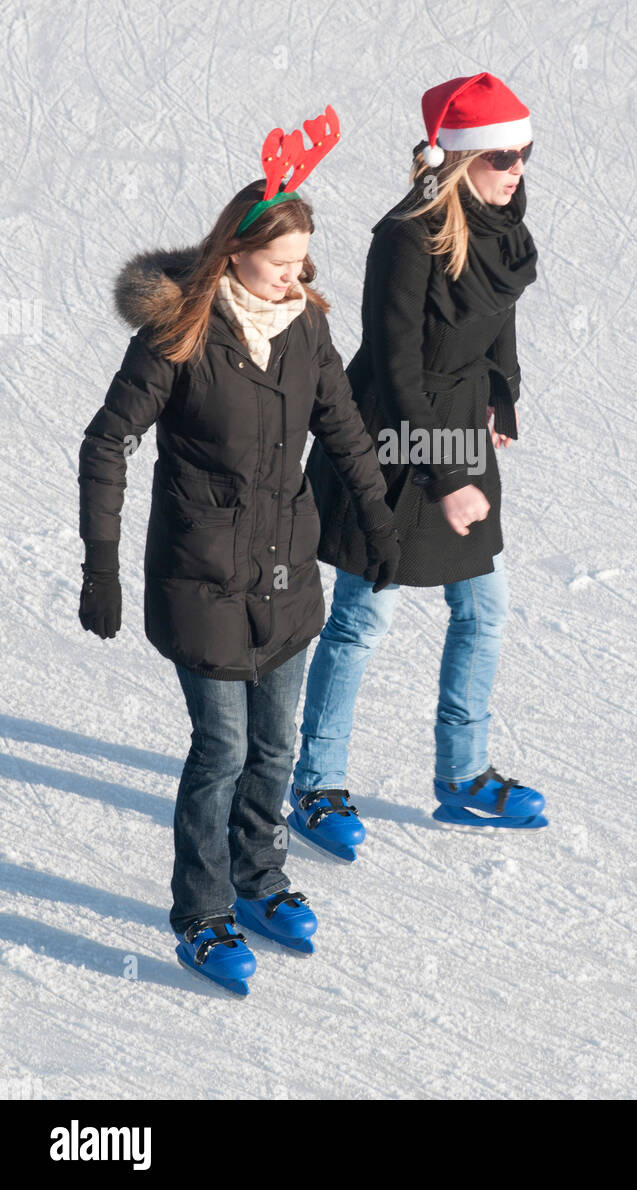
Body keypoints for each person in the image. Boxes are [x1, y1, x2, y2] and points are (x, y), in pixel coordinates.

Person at [77, 109, 399, 994]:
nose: (299, 281)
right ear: (236, 253)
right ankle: (203, 913)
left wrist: (375, 521)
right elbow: (106, 444)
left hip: (285, 568)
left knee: (276, 746)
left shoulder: (306, 326)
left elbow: (341, 426)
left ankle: (259, 881)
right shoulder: (178, 335)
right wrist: (99, 564)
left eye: (306, 266)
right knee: (219, 748)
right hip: (201, 575)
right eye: (283, 265)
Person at [292, 72, 548, 860]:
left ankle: (463, 780)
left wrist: (501, 396)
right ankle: (316, 786)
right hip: (398, 438)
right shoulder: (405, 236)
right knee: (364, 617)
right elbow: (395, 368)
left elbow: (497, 316)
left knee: (484, 609)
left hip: (459, 427)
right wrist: (446, 478)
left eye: (525, 154)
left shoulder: (501, 223)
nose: (516, 171)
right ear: (458, 158)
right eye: (502, 157)